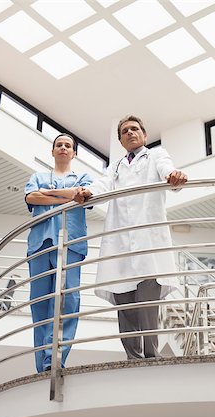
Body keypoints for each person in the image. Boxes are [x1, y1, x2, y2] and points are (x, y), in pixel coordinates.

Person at [74, 115, 187, 360]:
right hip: (121, 243)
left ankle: (151, 356)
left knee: (147, 303)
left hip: (148, 242)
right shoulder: (115, 166)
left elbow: (168, 171)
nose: (130, 133)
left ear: (144, 135)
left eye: (135, 129)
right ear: (120, 139)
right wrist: (88, 191)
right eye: (125, 131)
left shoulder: (156, 155)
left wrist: (174, 177)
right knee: (125, 305)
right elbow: (102, 185)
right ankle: (132, 358)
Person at [25, 133, 92, 373]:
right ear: (52, 151)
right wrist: (68, 195)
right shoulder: (38, 176)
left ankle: (55, 360)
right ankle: (41, 366)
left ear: (73, 153)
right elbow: (32, 197)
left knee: (68, 301)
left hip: (70, 244)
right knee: (41, 304)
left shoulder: (83, 177)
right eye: (59, 145)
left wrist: (50, 196)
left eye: (68, 146)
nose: (63, 148)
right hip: (40, 243)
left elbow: (84, 196)